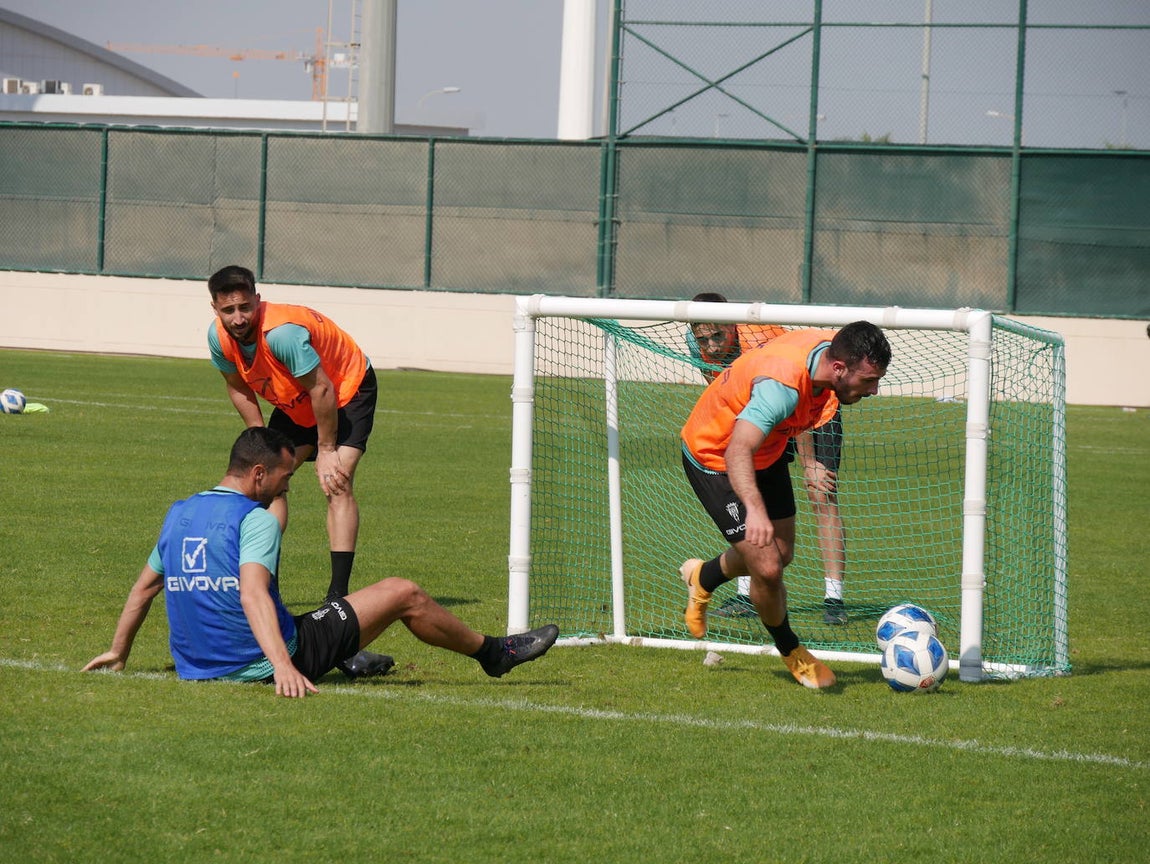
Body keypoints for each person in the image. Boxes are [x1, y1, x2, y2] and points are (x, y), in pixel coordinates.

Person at [83, 427, 559, 697]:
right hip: (269, 660)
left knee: (319, 615)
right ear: (257, 474)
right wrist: (284, 667)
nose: (289, 485)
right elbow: (251, 593)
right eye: (285, 476)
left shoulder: (179, 513)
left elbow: (146, 587)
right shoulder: (257, 520)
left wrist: (119, 650)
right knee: (403, 592)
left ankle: (352, 658)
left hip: (197, 667)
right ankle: (495, 655)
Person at [679, 321, 890, 689]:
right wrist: (755, 510)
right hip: (716, 457)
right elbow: (737, 450)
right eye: (868, 380)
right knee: (769, 567)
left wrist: (809, 463)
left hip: (768, 451)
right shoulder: (780, 388)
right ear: (839, 368)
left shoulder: (830, 354)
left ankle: (704, 577)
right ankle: (792, 651)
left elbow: (802, 413)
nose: (873, 390)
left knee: (782, 553)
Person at [207, 265, 385, 675]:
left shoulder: (282, 333)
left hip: (345, 389)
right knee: (266, 488)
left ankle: (336, 605)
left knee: (336, 481)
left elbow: (322, 388)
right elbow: (237, 385)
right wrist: (260, 442)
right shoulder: (219, 337)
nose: (238, 318)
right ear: (215, 308)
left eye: (245, 307)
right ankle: (268, 595)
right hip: (295, 399)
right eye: (228, 309)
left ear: (257, 298)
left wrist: (325, 449)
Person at [686, 292, 849, 626]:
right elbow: (723, 391)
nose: (712, 345)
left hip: (815, 407)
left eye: (718, 335)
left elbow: (795, 409)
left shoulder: (761, 339)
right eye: (704, 338)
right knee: (749, 489)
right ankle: (745, 594)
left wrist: (810, 465)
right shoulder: (697, 342)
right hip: (767, 411)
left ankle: (834, 598)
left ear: (733, 324)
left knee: (821, 493)